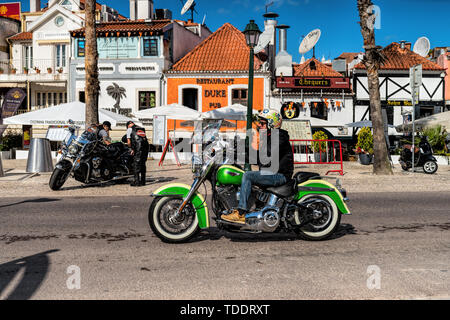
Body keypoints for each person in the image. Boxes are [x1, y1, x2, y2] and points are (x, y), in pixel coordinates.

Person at [221, 109, 294, 224]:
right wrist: (234, 152)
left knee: (248, 176)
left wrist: (240, 152)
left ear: (271, 124)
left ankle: (241, 213)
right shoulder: (269, 137)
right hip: (271, 173)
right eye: (260, 123)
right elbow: (257, 157)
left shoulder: (279, 137)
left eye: (263, 123)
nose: (259, 125)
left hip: (279, 175)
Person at [126, 120, 149, 186]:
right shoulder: (141, 129)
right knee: (143, 164)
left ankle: (137, 182)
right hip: (145, 148)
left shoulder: (129, 129)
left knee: (136, 164)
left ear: (128, 126)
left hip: (138, 148)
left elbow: (129, 141)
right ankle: (143, 181)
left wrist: (131, 148)